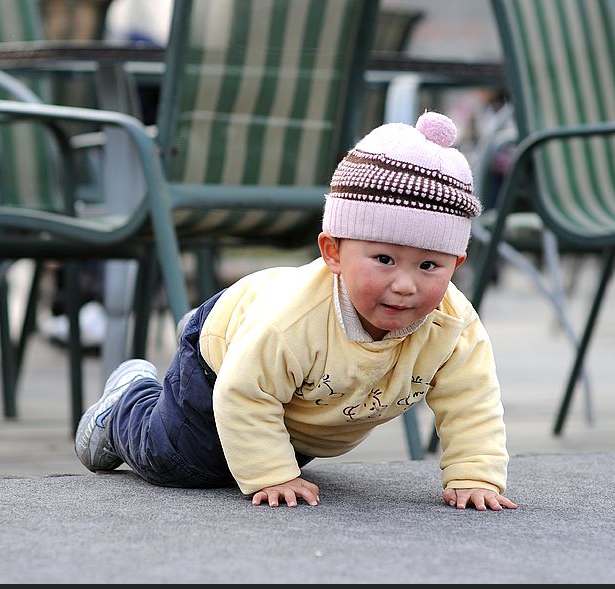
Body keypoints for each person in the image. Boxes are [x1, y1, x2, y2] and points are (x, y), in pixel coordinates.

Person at [75, 111, 517, 512]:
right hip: (226, 368)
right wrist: (271, 476)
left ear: (456, 265)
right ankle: (125, 404)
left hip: (300, 405)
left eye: (429, 266)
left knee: (268, 444)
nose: (405, 284)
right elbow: (245, 394)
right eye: (383, 260)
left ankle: (256, 420)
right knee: (183, 461)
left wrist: (474, 473)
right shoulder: (292, 321)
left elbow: (471, 398)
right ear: (333, 252)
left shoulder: (453, 325)